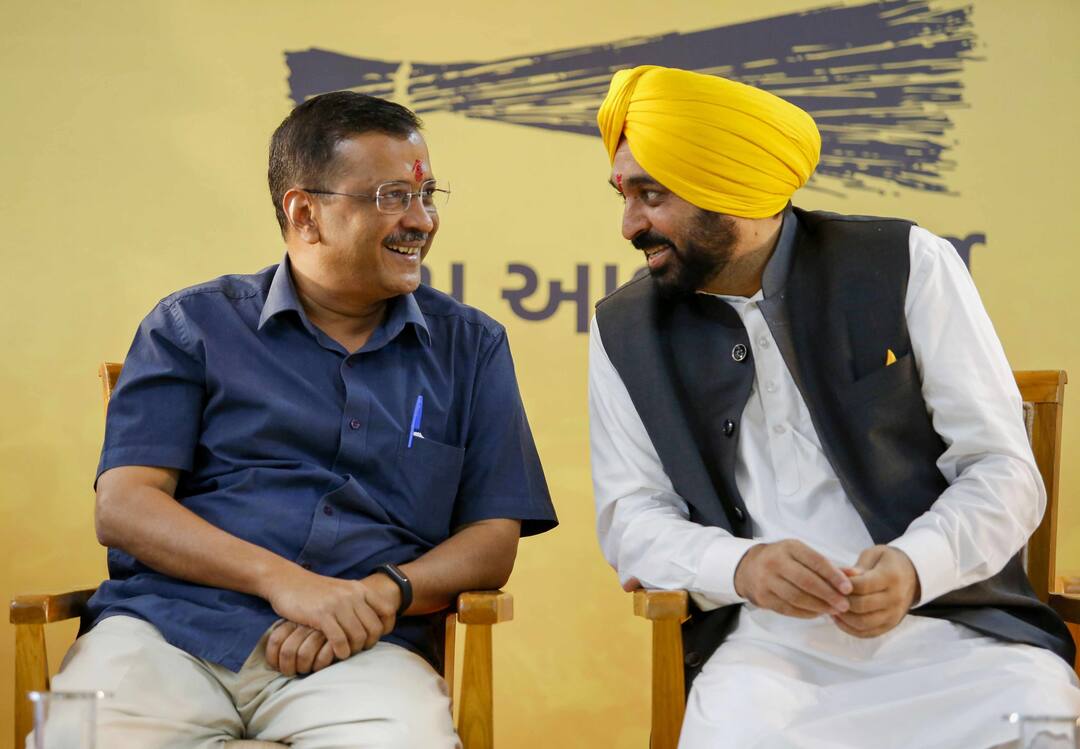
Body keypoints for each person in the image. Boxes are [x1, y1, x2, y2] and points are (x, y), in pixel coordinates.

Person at [42, 91, 557, 748]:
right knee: (82, 735)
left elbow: (493, 539)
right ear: (305, 213)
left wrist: (380, 594)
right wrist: (288, 585)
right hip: (169, 635)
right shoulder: (193, 326)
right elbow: (124, 506)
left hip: (361, 652)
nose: (421, 220)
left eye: (428, 195)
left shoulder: (470, 347)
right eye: (393, 197)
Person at [588, 65, 1080, 749]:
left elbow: (1003, 471)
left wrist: (915, 565)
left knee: (1034, 716)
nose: (629, 225)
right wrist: (741, 566)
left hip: (957, 628)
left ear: (729, 189)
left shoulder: (906, 262)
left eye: (651, 194)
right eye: (624, 194)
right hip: (766, 651)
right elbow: (631, 516)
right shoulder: (625, 330)